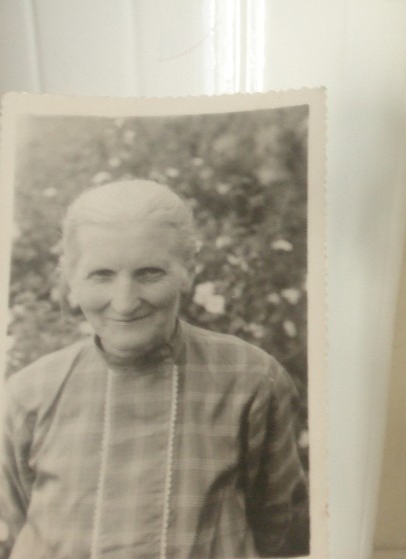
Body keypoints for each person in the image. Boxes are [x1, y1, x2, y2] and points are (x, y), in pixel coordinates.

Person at [0, 179, 310, 559]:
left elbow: (282, 531)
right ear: (71, 280)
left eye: (149, 273)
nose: (125, 302)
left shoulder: (251, 380)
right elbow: (13, 529)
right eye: (101, 274)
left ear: (188, 271)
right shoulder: (28, 393)